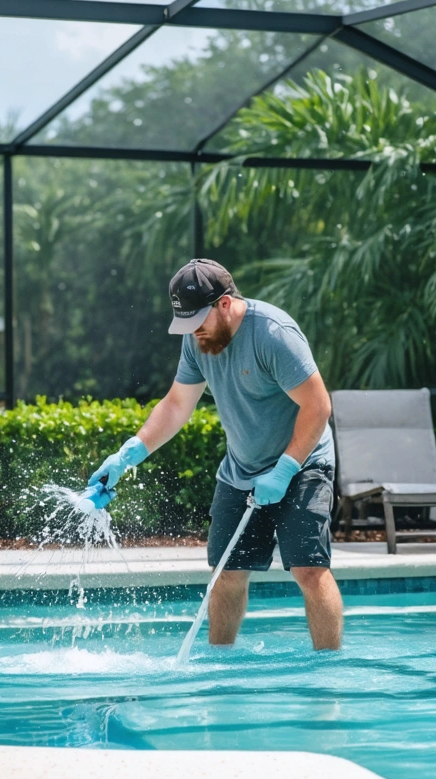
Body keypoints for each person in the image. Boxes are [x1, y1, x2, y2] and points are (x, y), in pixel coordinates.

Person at [89, 258, 342, 650]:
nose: (194, 333)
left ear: (225, 304)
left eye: (198, 321)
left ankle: (329, 674)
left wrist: (285, 469)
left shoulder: (273, 334)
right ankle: (219, 665)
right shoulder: (199, 340)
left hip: (304, 461)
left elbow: (318, 406)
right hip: (241, 469)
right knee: (226, 572)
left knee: (309, 569)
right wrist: (128, 455)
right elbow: (176, 405)